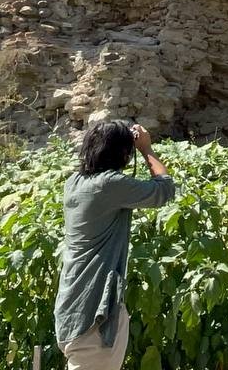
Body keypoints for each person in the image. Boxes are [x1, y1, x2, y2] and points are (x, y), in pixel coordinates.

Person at [54, 120, 176, 370]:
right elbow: (165, 189)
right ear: (122, 153)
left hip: (71, 308)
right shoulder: (109, 185)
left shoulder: (73, 183)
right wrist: (146, 149)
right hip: (94, 315)